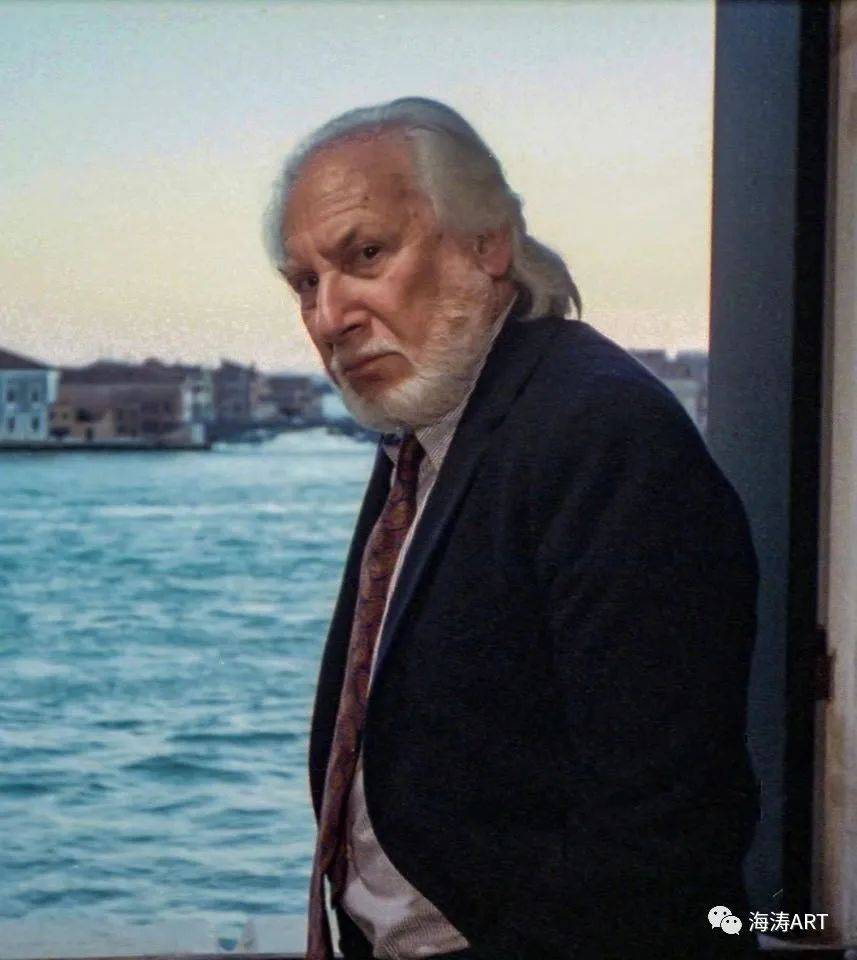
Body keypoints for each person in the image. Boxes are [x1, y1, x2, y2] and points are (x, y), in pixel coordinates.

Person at [264, 97, 760, 960]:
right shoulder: (433, 424)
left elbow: (659, 831)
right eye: (305, 282)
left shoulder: (599, 433)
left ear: (487, 243)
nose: (329, 315)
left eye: (366, 254)